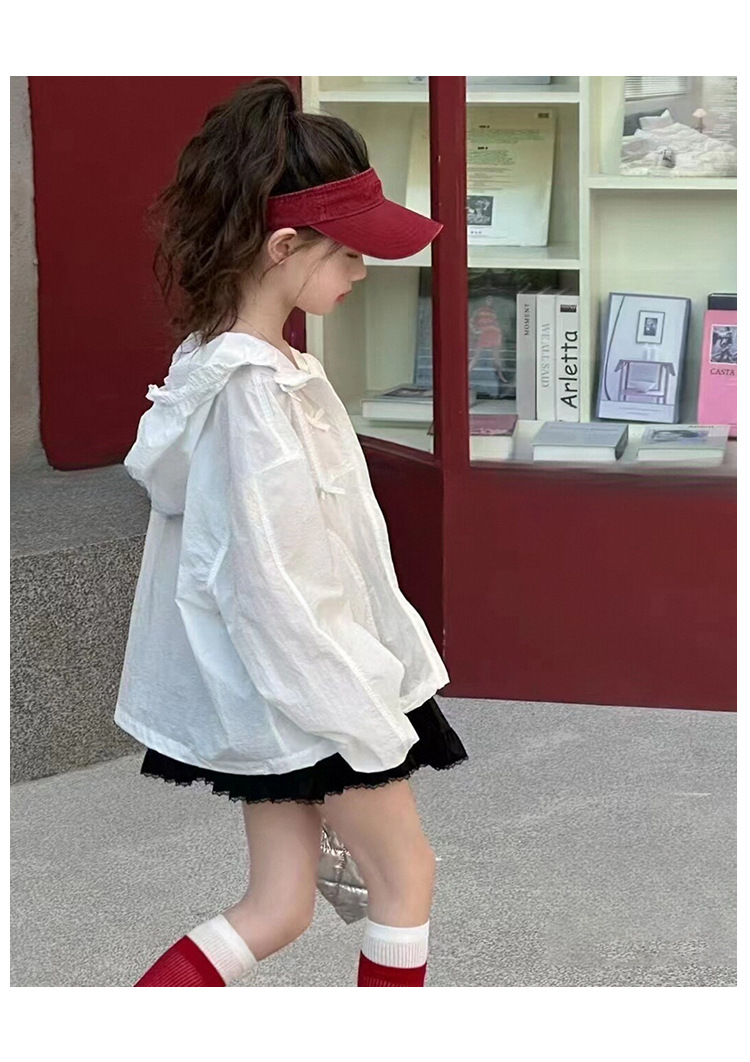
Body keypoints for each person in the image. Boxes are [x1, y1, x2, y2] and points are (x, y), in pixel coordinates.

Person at [115, 77, 469, 989]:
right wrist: (363, 717)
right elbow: (277, 585)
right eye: (349, 253)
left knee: (279, 906)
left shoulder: (219, 365)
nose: (361, 272)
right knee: (406, 878)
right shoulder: (255, 393)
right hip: (312, 690)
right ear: (284, 247)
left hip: (275, 690)